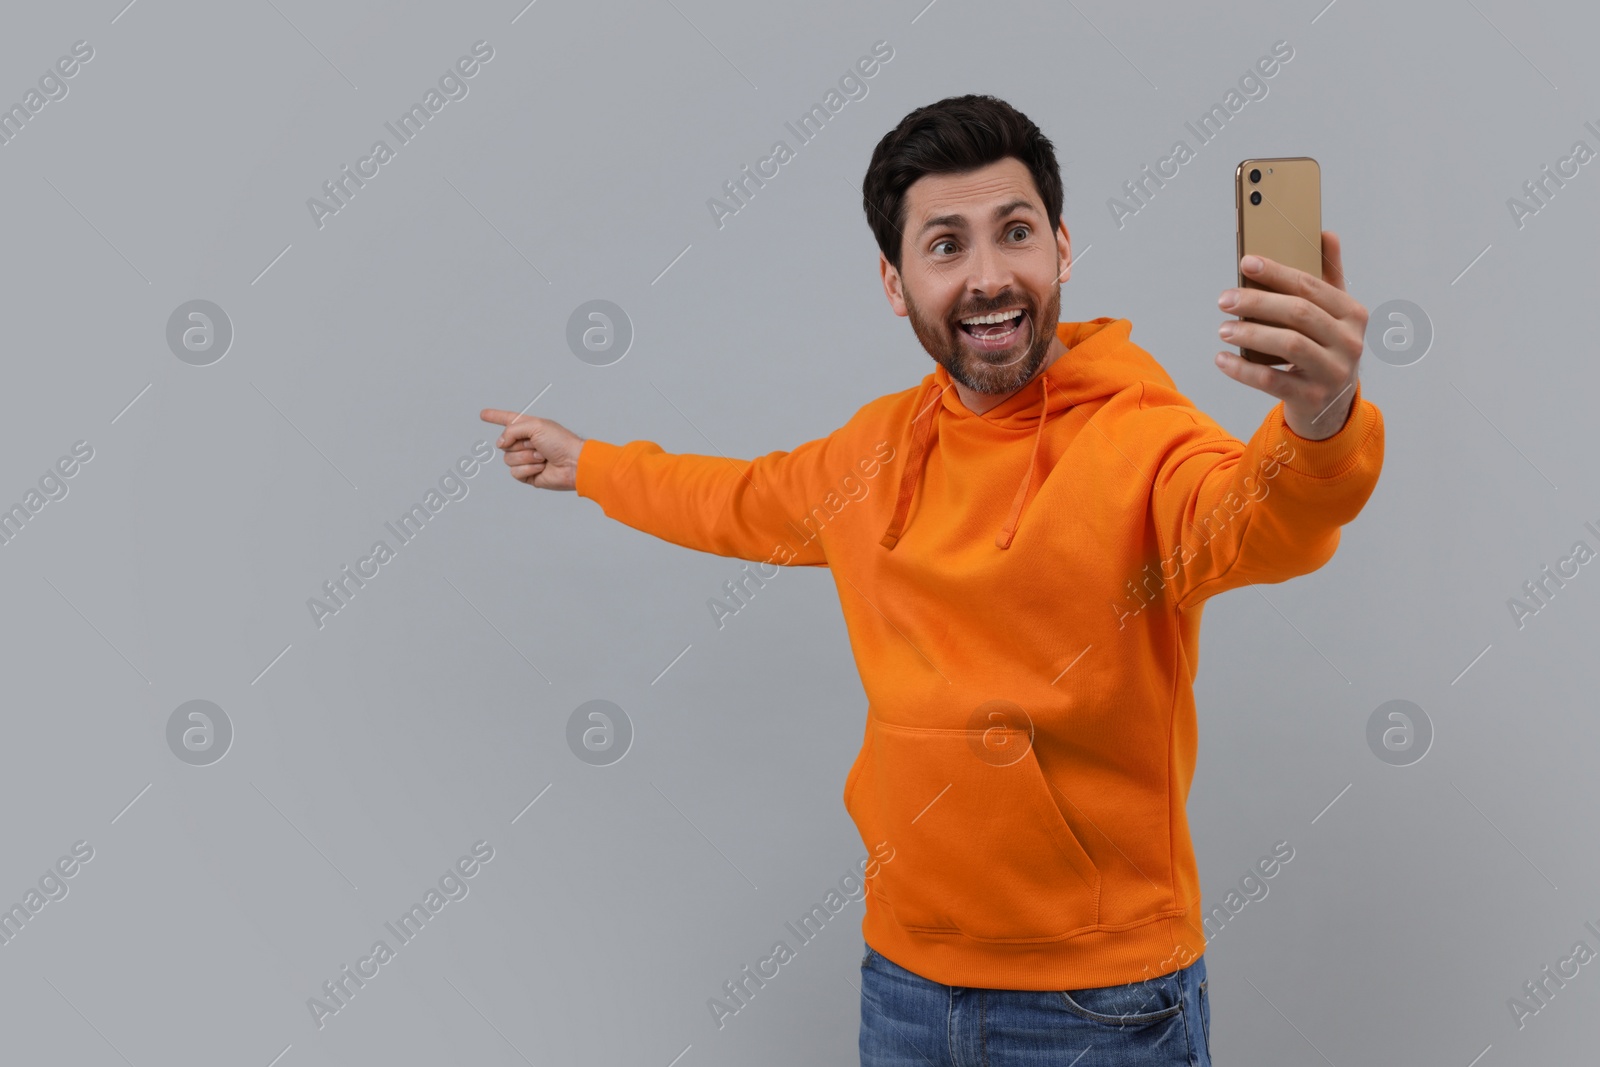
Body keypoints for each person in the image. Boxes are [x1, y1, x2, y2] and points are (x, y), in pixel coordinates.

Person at [482, 93, 1383, 1066]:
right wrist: (592, 464)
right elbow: (738, 497)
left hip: (1101, 1000)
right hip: (905, 983)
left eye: (1015, 232)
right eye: (945, 245)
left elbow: (1261, 520)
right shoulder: (875, 452)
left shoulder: (1140, 439)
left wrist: (1320, 416)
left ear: (1063, 247)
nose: (989, 276)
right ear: (894, 280)